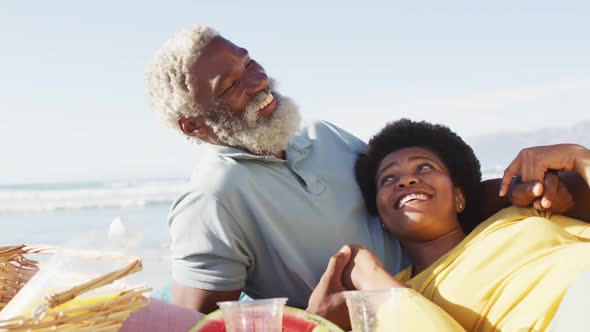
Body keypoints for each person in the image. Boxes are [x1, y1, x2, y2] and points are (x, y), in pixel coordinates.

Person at [143, 24, 579, 318]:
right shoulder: (212, 199)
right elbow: (197, 325)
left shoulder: (321, 135)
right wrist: (319, 324)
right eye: (233, 86)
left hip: (469, 281)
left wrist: (514, 193)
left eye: (249, 63)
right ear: (195, 125)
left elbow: (413, 193)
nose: (258, 81)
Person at [307, 119, 590, 331]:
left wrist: (580, 157)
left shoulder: (522, 213)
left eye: (424, 168)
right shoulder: (391, 294)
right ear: (381, 217)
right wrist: (365, 273)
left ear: (459, 196)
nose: (407, 181)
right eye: (389, 179)